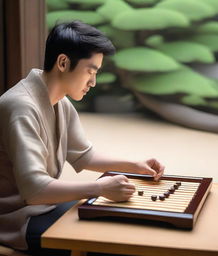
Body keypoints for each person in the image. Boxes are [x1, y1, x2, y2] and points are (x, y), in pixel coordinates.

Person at [0, 21, 165, 256]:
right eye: (90, 71)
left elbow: (83, 155)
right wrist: (99, 188)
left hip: (47, 207)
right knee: (108, 242)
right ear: (63, 62)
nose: (93, 82)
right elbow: (34, 190)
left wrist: (135, 166)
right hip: (17, 220)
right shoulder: (21, 107)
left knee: (124, 221)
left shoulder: (61, 102)